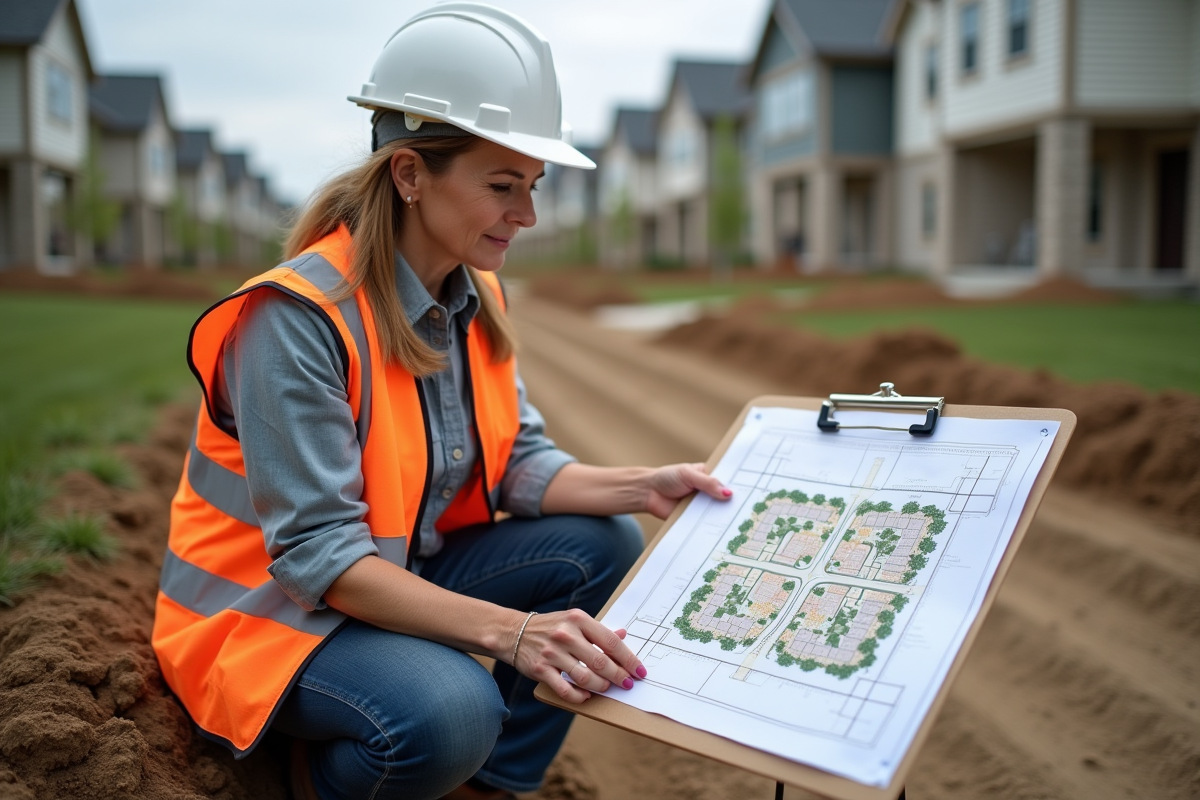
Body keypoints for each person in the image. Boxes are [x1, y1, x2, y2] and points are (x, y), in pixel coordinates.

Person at [150, 5, 732, 799]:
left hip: (388, 575)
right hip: (265, 619)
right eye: (502, 186)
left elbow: (513, 461)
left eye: (533, 186)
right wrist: (512, 633)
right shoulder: (296, 320)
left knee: (602, 541)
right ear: (410, 175)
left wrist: (643, 486)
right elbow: (321, 558)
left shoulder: (475, 294)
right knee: (453, 709)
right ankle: (321, 780)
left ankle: (485, 787)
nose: (527, 215)